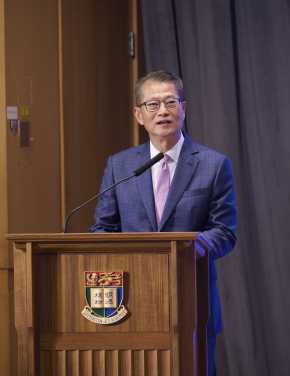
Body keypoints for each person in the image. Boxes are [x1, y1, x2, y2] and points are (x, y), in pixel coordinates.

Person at [89, 70, 237, 375]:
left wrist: (192, 246)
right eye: (152, 104)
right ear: (138, 114)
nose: (163, 111)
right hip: (131, 301)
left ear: (183, 109)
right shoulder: (121, 165)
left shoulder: (213, 164)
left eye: (170, 102)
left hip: (192, 300)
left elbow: (224, 231)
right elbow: (102, 229)